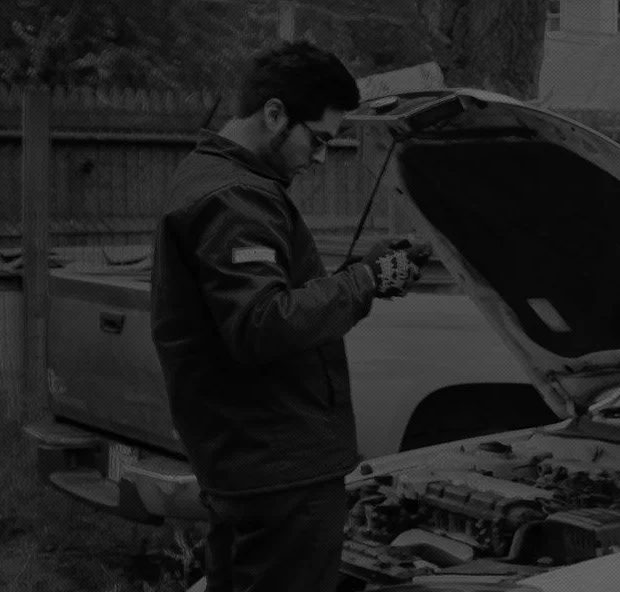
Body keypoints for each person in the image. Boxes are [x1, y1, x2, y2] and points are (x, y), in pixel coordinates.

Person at [148, 40, 429, 592]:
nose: (321, 157)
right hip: (279, 471)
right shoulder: (235, 198)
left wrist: (362, 272)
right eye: (318, 139)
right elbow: (264, 323)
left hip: (246, 464)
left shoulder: (211, 175)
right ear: (274, 113)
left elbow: (268, 297)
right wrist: (369, 280)